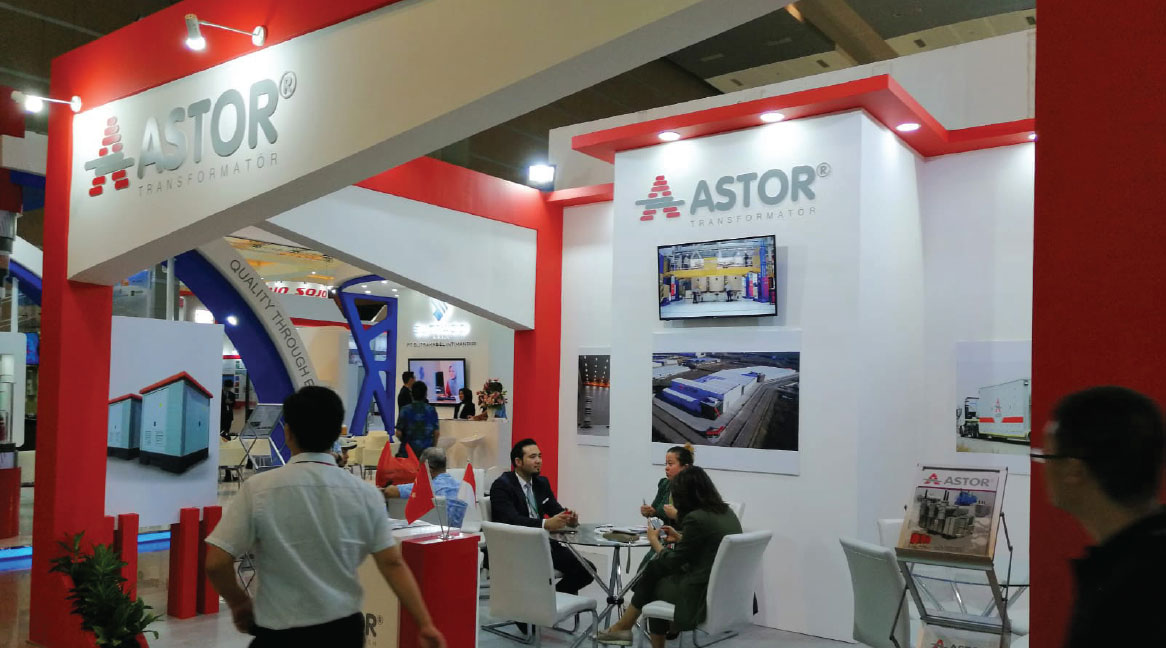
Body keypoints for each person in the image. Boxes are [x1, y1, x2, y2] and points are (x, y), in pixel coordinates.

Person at [204, 386, 445, 648]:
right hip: (342, 632)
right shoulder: (365, 494)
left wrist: (239, 603)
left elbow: (216, 562)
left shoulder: (258, 489)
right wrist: (425, 624)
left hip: (278, 632)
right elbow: (392, 563)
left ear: (288, 433)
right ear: (336, 434)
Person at [1037, 386, 1166, 648]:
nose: (1043, 468)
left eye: (1047, 456)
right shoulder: (1143, 561)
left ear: (1074, 470)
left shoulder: (1125, 601)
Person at [597, 466, 741, 647]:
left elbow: (673, 562)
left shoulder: (696, 518)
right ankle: (623, 627)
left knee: (654, 583)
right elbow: (710, 546)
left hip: (700, 592)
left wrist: (654, 541)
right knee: (655, 571)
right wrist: (680, 537)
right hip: (724, 589)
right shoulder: (726, 512)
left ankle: (623, 627)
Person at [489, 439, 594, 596]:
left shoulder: (541, 483)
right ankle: (544, 605)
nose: (538, 461)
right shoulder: (502, 486)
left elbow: (555, 510)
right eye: (532, 457)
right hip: (518, 548)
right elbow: (511, 520)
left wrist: (568, 519)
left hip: (545, 544)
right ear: (518, 462)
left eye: (540, 456)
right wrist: (545, 524)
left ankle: (550, 601)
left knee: (587, 570)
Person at [383, 447, 469, 528]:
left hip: (431, 534)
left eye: (420, 470)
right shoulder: (461, 486)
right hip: (457, 534)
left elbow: (389, 492)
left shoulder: (428, 487)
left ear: (428, 469)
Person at [640, 444, 694, 528]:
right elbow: (655, 520)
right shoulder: (665, 484)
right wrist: (650, 514)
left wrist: (676, 516)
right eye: (666, 464)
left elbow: (698, 524)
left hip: (685, 534)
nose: (666, 468)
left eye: (670, 464)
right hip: (665, 534)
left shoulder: (695, 489)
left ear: (685, 467)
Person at [395, 381, 440, 458]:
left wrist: (405, 441)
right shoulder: (431, 410)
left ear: (411, 394)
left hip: (407, 453)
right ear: (425, 394)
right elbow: (436, 433)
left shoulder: (405, 410)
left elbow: (398, 433)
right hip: (426, 453)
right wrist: (432, 447)